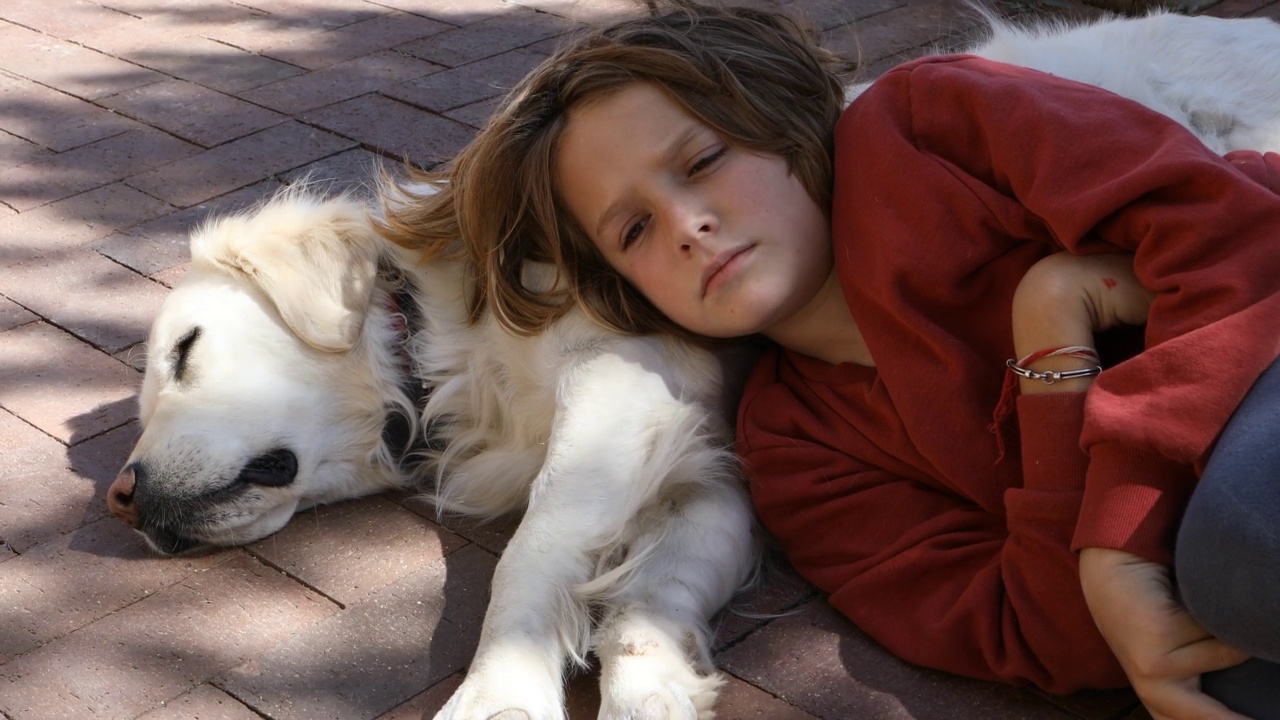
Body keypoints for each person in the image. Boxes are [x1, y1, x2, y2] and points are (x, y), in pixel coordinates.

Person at [378, 2, 1280, 718]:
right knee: (1218, 672)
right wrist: (1055, 336)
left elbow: (1241, 242)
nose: (690, 225)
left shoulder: (934, 121)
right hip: (1202, 560)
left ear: (774, 116)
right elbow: (1045, 637)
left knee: (1231, 557)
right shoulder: (798, 454)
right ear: (624, 289)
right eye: (635, 229)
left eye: (703, 159)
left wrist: (1119, 532)